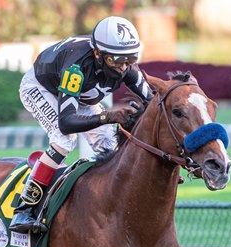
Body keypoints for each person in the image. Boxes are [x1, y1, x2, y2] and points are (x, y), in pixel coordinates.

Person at [9, 16, 153, 233]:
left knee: (109, 145)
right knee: (64, 139)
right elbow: (67, 122)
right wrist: (108, 117)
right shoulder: (76, 67)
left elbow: (152, 102)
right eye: (116, 60)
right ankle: (25, 207)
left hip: (82, 98)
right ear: (98, 53)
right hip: (42, 88)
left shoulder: (126, 66)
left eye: (130, 58)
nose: (124, 67)